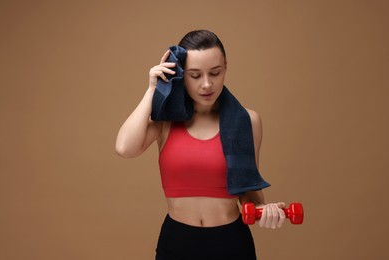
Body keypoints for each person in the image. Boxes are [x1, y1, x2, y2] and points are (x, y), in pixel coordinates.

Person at [115, 30, 286, 260]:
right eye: (195, 75)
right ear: (181, 74)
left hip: (231, 244)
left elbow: (250, 194)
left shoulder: (248, 120)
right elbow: (125, 148)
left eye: (215, 73)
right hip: (176, 243)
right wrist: (152, 89)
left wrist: (266, 212)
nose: (207, 84)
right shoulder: (166, 120)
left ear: (225, 66)